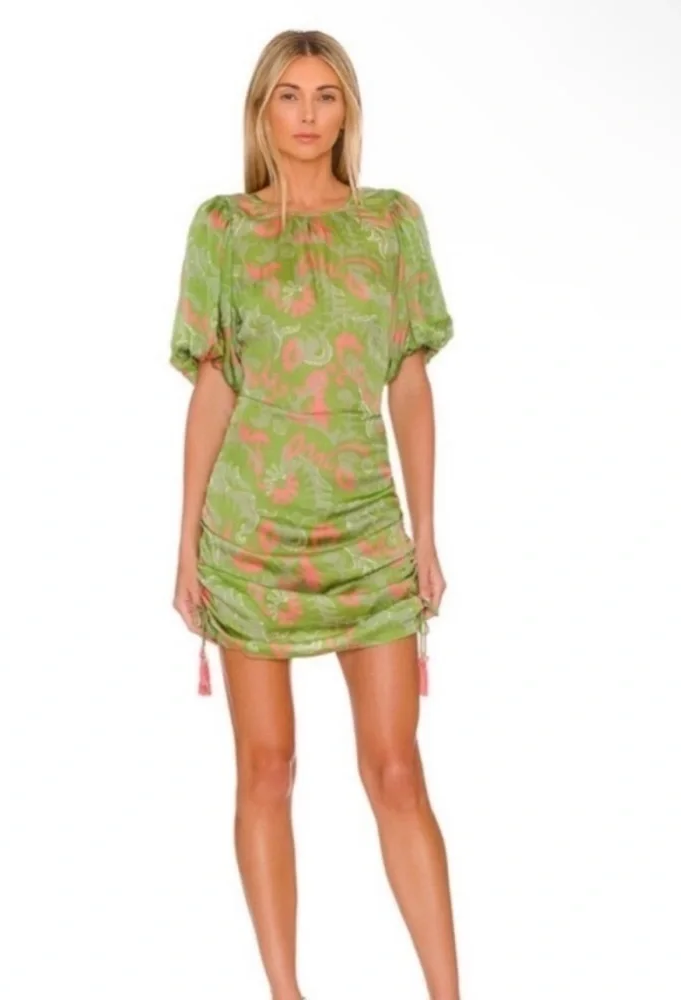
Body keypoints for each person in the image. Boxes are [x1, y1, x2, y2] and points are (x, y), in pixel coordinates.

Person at [169, 28, 459, 1000]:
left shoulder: (391, 224)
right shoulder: (222, 228)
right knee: (268, 768)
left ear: (347, 111)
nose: (306, 114)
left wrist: (424, 533)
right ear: (261, 111)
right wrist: (185, 545)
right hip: (249, 537)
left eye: (325, 95)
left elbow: (409, 386)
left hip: (368, 535)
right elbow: (213, 386)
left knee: (395, 770)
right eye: (288, 95)